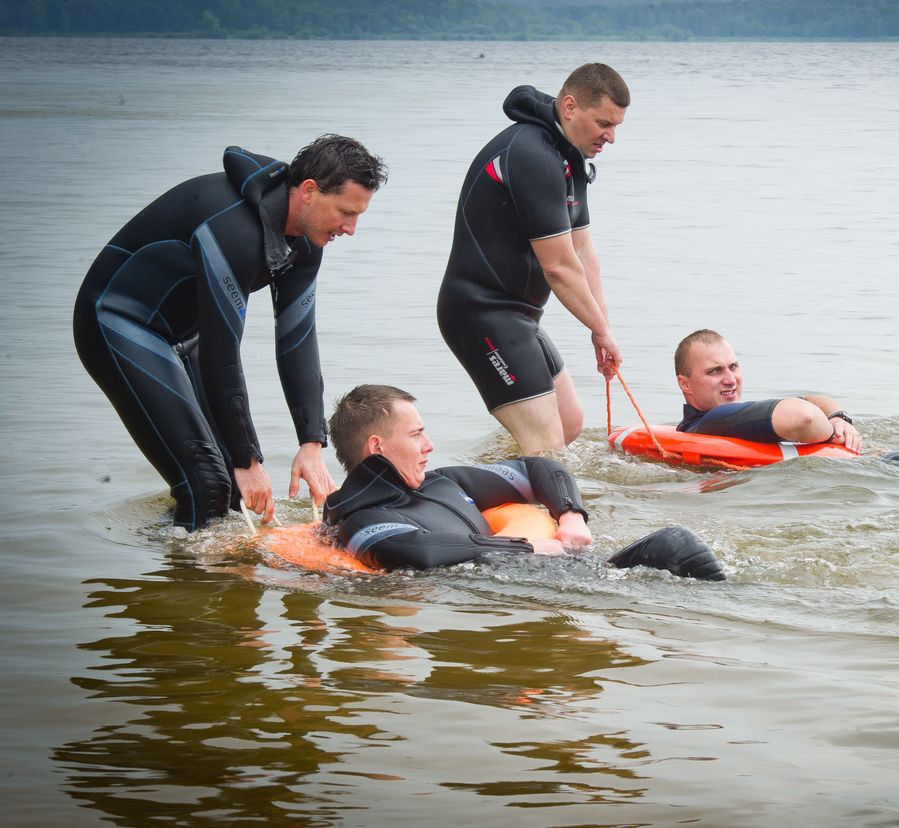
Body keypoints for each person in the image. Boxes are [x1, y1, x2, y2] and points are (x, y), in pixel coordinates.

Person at [74, 135, 387, 530]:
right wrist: (248, 459)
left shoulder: (307, 243)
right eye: (346, 212)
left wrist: (311, 444)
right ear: (309, 191)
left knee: (236, 493)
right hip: (118, 322)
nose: (352, 228)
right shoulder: (234, 228)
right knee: (206, 483)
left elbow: (297, 341)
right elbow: (225, 354)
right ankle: (195, 582)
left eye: (358, 215)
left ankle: (187, 552)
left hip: (187, 334)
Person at [324, 385, 724, 580]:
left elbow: (538, 468)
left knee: (676, 544)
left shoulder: (442, 483)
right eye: (415, 435)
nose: (430, 445)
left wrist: (570, 515)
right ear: (377, 446)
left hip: (576, 574)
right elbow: (416, 551)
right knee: (678, 548)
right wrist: (527, 545)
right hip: (529, 590)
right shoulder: (362, 520)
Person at [437, 63, 629, 454]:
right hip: (479, 313)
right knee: (546, 446)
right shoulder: (531, 155)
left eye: (617, 127)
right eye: (604, 124)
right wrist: (600, 331)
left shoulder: (569, 157)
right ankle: (524, 503)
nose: (610, 137)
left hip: (519, 316)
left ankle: (500, 486)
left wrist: (602, 327)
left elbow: (582, 250)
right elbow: (557, 267)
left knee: (570, 423)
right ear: (570, 107)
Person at [674, 330, 899, 469]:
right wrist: (832, 433)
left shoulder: (725, 417)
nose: (731, 378)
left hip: (888, 468)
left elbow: (812, 399)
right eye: (715, 371)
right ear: (685, 385)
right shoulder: (712, 422)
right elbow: (804, 417)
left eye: (734, 366)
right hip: (895, 467)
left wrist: (839, 417)